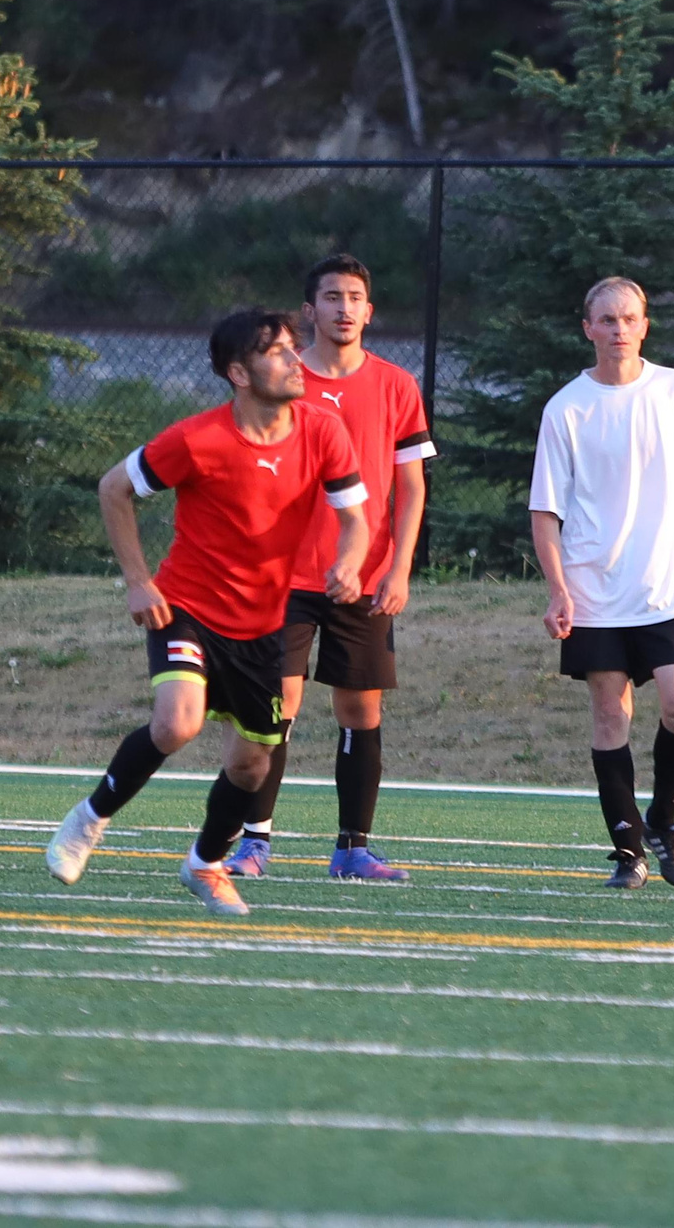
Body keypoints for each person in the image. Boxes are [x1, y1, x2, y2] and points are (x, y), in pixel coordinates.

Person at [46, 309, 369, 917]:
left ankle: (205, 863)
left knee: (251, 765)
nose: (296, 359)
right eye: (277, 351)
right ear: (239, 373)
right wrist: (139, 583)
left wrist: (350, 563)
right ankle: (89, 819)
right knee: (176, 724)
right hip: (187, 608)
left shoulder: (324, 432)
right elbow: (113, 488)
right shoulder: (197, 439)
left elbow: (355, 519)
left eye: (293, 348)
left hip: (265, 626)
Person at [529, 277, 674, 891]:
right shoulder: (566, 407)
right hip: (594, 591)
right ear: (588, 328)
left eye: (630, 318)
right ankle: (628, 851)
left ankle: (663, 821)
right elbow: (545, 512)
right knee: (609, 714)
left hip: (667, 589)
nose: (619, 329)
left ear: (645, 325)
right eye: (607, 319)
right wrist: (558, 589)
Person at [228, 254, 435, 883]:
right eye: (331, 297)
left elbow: (411, 488)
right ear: (309, 311)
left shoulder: (396, 385)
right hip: (283, 577)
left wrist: (397, 569)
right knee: (276, 705)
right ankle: (253, 842)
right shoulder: (281, 381)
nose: (344, 308)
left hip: (365, 578)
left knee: (359, 710)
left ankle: (352, 849)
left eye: (355, 297)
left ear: (369, 312)